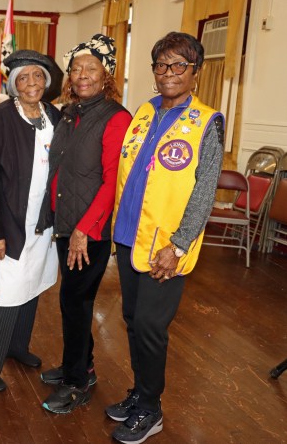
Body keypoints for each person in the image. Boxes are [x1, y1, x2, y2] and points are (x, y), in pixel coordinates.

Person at [107, 32, 223, 444]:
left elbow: (204, 191)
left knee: (152, 327)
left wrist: (178, 245)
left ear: (195, 72)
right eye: (161, 65)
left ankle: (151, 409)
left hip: (165, 249)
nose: (168, 73)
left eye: (178, 65)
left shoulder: (206, 122)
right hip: (127, 237)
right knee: (133, 323)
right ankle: (139, 394)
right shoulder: (144, 111)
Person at [36, 34, 132, 414]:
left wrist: (84, 229)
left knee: (74, 301)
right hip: (67, 224)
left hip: (87, 231)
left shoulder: (116, 117)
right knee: (76, 301)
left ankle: (77, 382)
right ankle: (81, 365)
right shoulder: (72, 113)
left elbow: (112, 180)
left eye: (90, 68)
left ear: (106, 74)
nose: (81, 74)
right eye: (76, 68)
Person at [0, 50, 61, 392]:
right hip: (10, 222)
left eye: (37, 76)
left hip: (44, 220)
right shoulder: (2, 116)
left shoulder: (54, 114)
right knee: (8, 289)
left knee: (34, 281)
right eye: (23, 78)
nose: (31, 83)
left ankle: (16, 345)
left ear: (46, 82)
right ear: (14, 84)